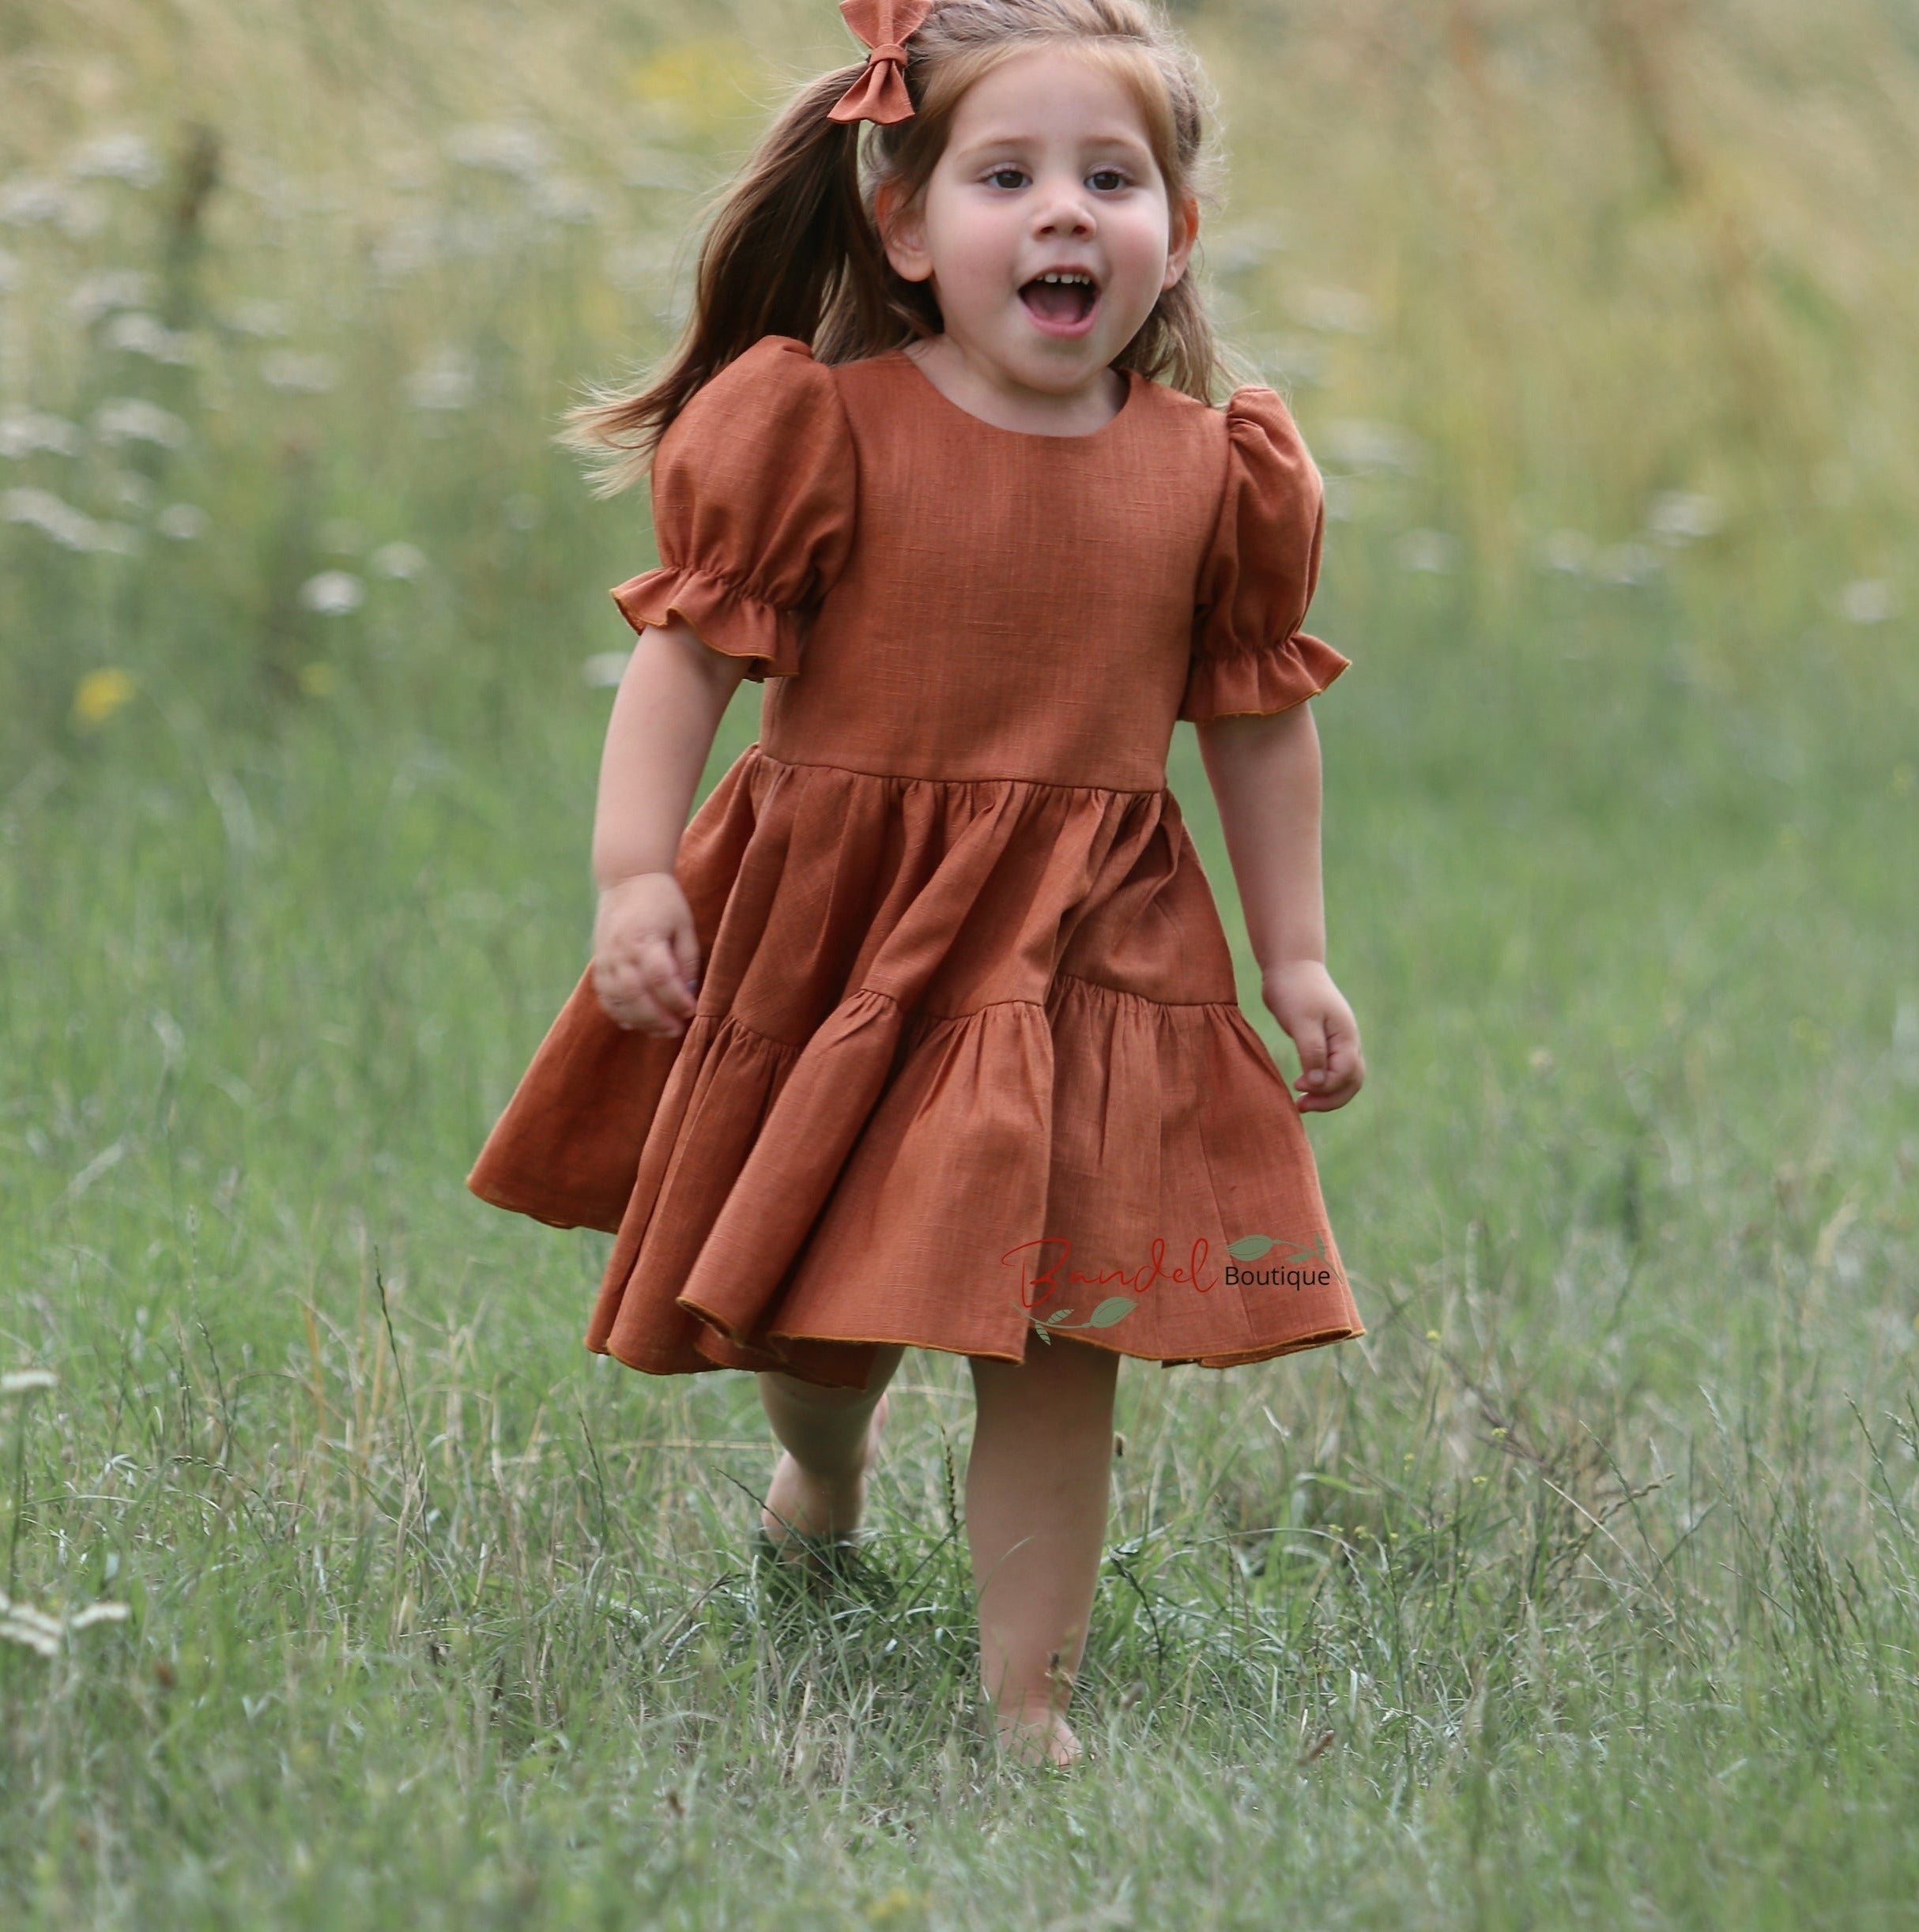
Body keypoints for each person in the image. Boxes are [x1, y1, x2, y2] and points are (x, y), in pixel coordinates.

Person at [469, 0, 1367, 1768]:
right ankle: (822, 1460)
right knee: (822, 1320)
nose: (1061, 214)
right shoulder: (821, 430)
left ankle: (1025, 1692)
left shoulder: (1211, 472)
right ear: (903, 222)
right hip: (845, 931)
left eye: (1110, 178)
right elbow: (689, 661)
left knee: (1057, 1319)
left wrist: (1298, 956)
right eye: (1006, 173)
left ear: (1173, 231)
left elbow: (1256, 721)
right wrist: (633, 873)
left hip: (1086, 947)